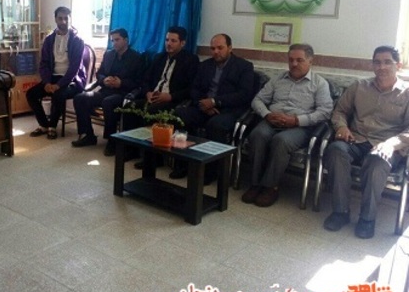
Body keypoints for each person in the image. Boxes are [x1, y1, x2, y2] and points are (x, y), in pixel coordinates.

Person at [322, 46, 409, 239]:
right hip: (356, 139)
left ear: (398, 65)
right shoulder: (359, 86)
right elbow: (339, 111)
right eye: (377, 62)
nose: (381, 67)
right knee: (336, 150)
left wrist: (392, 143)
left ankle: (367, 219)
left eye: (387, 62)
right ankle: (341, 212)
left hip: (387, 145)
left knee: (377, 161)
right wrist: (341, 127)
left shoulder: (407, 93)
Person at [241, 43, 333, 207]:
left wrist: (296, 120)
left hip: (300, 127)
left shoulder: (320, 84)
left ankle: (270, 187)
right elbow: (258, 100)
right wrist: (267, 114)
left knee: (281, 141)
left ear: (310, 61)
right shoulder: (278, 79)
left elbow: (325, 112)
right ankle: (255, 184)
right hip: (272, 120)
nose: (294, 64)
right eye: (291, 60)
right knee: (257, 135)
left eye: (299, 60)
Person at [171, 33, 255, 179]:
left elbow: (244, 95)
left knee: (215, 125)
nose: (216, 51)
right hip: (203, 107)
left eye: (220, 48)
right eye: (213, 48)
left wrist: (215, 102)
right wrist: (203, 103)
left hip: (228, 110)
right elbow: (194, 89)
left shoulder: (244, 66)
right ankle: (182, 163)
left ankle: (210, 171)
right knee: (180, 115)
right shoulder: (205, 65)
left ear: (230, 48)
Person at [123, 26, 199, 172]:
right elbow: (146, 80)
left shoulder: (191, 60)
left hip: (173, 101)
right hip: (153, 97)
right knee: (130, 107)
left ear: (182, 43)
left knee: (152, 111)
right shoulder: (159, 57)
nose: (168, 44)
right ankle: (132, 150)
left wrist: (170, 96)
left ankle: (153, 158)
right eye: (167, 40)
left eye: (173, 41)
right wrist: (148, 93)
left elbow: (192, 88)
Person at [71, 28, 143, 155]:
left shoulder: (136, 58)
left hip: (124, 93)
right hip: (106, 90)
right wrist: (104, 80)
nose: (114, 43)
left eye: (117, 40)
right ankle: (88, 135)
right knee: (80, 98)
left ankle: (111, 140)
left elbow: (139, 82)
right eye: (112, 40)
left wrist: (121, 83)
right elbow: (99, 74)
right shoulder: (109, 55)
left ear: (126, 40)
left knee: (108, 102)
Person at [26, 6, 86, 140]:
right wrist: (47, 82)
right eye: (60, 18)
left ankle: (52, 126)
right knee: (31, 94)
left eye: (66, 18)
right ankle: (44, 125)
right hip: (52, 78)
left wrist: (59, 85)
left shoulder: (78, 41)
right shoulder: (49, 40)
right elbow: (44, 64)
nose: (63, 21)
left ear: (70, 19)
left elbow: (74, 69)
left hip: (72, 81)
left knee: (59, 94)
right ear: (55, 19)